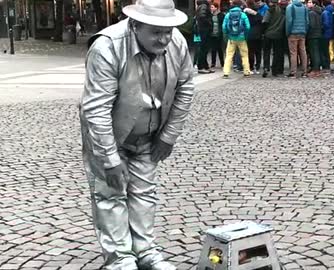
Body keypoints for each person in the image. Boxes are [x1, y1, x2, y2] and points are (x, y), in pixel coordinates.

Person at [79, 0, 194, 269]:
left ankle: (145, 250)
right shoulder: (107, 47)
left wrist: (169, 135)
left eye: (168, 31)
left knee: (145, 192)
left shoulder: (175, 41)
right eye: (156, 32)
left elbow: (186, 87)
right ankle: (120, 257)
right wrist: (109, 157)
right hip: (109, 133)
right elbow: (96, 108)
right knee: (110, 193)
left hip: (149, 133)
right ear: (135, 25)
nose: (164, 38)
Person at [223, 0, 251, 78]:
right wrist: (245, 35)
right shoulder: (243, 15)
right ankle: (246, 72)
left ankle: (226, 72)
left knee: (229, 55)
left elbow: (224, 27)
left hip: (231, 38)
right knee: (244, 55)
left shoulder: (228, 15)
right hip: (242, 38)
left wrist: (227, 34)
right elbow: (248, 27)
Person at [285, 0, 309, 78]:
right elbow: (307, 21)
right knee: (303, 51)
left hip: (293, 33)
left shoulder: (290, 7)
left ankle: (293, 72)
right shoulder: (304, 7)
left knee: (293, 53)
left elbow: (289, 21)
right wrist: (305, 31)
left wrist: (288, 32)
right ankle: (304, 71)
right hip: (302, 33)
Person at [262, 0, 286, 77]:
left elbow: (265, 21)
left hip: (268, 34)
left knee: (266, 51)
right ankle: (275, 70)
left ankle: (266, 67)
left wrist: (264, 32)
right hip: (278, 35)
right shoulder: (283, 11)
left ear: (271, 3)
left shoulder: (269, 10)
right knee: (277, 53)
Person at [245, 0, 263, 74]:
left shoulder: (245, 14)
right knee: (258, 51)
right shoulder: (258, 14)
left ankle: (251, 67)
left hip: (249, 35)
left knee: (250, 51)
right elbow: (262, 22)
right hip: (258, 34)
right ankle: (257, 66)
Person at [306, 0, 324, 77]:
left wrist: (307, 32)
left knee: (314, 53)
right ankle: (317, 68)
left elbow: (311, 25)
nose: (307, 4)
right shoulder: (319, 11)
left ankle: (315, 70)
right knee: (316, 52)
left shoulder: (311, 13)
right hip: (318, 34)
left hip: (313, 35)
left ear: (314, 4)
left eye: (310, 2)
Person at [196, 0, 214, 74]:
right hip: (204, 30)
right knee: (203, 48)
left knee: (204, 49)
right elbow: (202, 16)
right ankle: (201, 66)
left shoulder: (203, 5)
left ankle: (205, 66)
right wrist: (209, 23)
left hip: (203, 29)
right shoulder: (204, 6)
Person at [210, 3, 225, 68]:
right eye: (211, 7)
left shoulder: (221, 15)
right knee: (213, 49)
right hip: (212, 34)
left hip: (219, 34)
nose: (211, 8)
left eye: (212, 7)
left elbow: (223, 24)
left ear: (216, 8)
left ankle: (222, 63)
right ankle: (213, 63)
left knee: (219, 49)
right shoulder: (210, 15)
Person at [322, 0, 334, 65]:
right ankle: (331, 58)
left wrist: (322, 28)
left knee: (325, 48)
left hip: (326, 33)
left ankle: (326, 63)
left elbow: (326, 23)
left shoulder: (325, 12)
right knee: (331, 46)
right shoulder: (333, 10)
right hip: (332, 31)